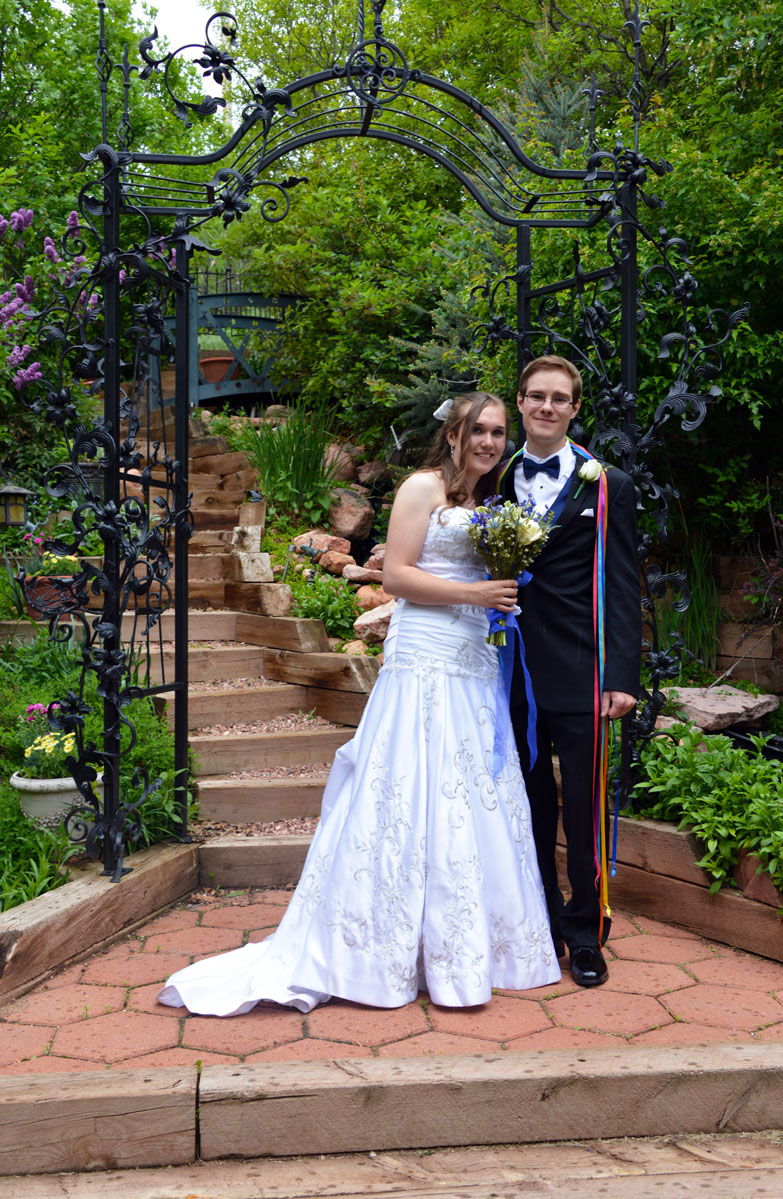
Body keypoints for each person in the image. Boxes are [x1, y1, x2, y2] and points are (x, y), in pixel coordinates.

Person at [158, 392, 560, 1016]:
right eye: (477, 430)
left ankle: (462, 947)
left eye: (498, 432)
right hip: (424, 656)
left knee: (467, 790)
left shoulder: (486, 503)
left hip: (474, 659)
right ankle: (383, 948)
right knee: (409, 787)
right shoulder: (421, 488)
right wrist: (481, 591)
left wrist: (491, 601)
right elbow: (395, 576)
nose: (488, 442)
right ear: (453, 434)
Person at [499, 356, 641, 988]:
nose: (547, 407)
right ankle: (541, 921)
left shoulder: (606, 483)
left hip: (583, 669)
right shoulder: (494, 478)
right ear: (521, 403)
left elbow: (623, 584)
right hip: (507, 672)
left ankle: (586, 933)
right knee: (528, 803)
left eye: (559, 398)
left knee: (582, 805)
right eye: (536, 397)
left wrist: (622, 676)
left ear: (574, 408)